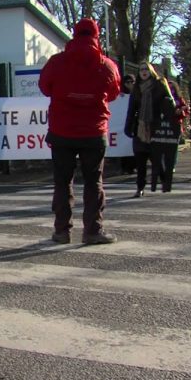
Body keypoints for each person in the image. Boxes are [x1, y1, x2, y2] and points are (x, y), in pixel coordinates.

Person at [38, 18, 121, 245]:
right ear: (96, 36)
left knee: (63, 182)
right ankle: (93, 231)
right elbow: (114, 92)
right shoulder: (106, 65)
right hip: (94, 132)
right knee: (94, 182)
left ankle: (62, 231)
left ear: (74, 35)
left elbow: (45, 87)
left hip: (62, 130)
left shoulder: (57, 62)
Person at [123, 61, 177, 197]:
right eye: (141, 70)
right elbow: (132, 109)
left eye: (146, 69)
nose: (143, 71)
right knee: (140, 160)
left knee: (156, 158)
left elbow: (170, 102)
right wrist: (128, 126)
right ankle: (139, 188)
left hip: (155, 125)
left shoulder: (159, 84)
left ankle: (165, 180)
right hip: (140, 127)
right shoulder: (136, 88)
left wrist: (167, 106)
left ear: (151, 70)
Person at [166, 79, 190, 174]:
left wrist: (180, 110)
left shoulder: (179, 99)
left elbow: (186, 109)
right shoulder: (163, 97)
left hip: (176, 124)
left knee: (174, 146)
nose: (171, 89)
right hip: (165, 124)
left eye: (172, 87)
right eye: (169, 87)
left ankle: (172, 165)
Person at [118, 74, 137, 174]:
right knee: (124, 144)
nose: (129, 84)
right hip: (124, 123)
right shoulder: (121, 95)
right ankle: (125, 167)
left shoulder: (138, 93)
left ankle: (133, 166)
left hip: (135, 122)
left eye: (131, 82)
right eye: (127, 82)